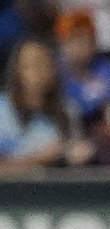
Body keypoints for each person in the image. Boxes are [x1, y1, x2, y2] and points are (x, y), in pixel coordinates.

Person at [0, 39, 86, 169]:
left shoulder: (67, 110)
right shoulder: (2, 109)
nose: (37, 72)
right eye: (30, 65)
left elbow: (75, 160)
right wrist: (40, 159)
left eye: (43, 64)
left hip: (52, 186)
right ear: (17, 71)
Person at [55, 10, 110, 129]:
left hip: (101, 128)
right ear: (62, 44)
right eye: (73, 39)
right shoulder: (56, 72)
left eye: (85, 38)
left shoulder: (107, 68)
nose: (80, 45)